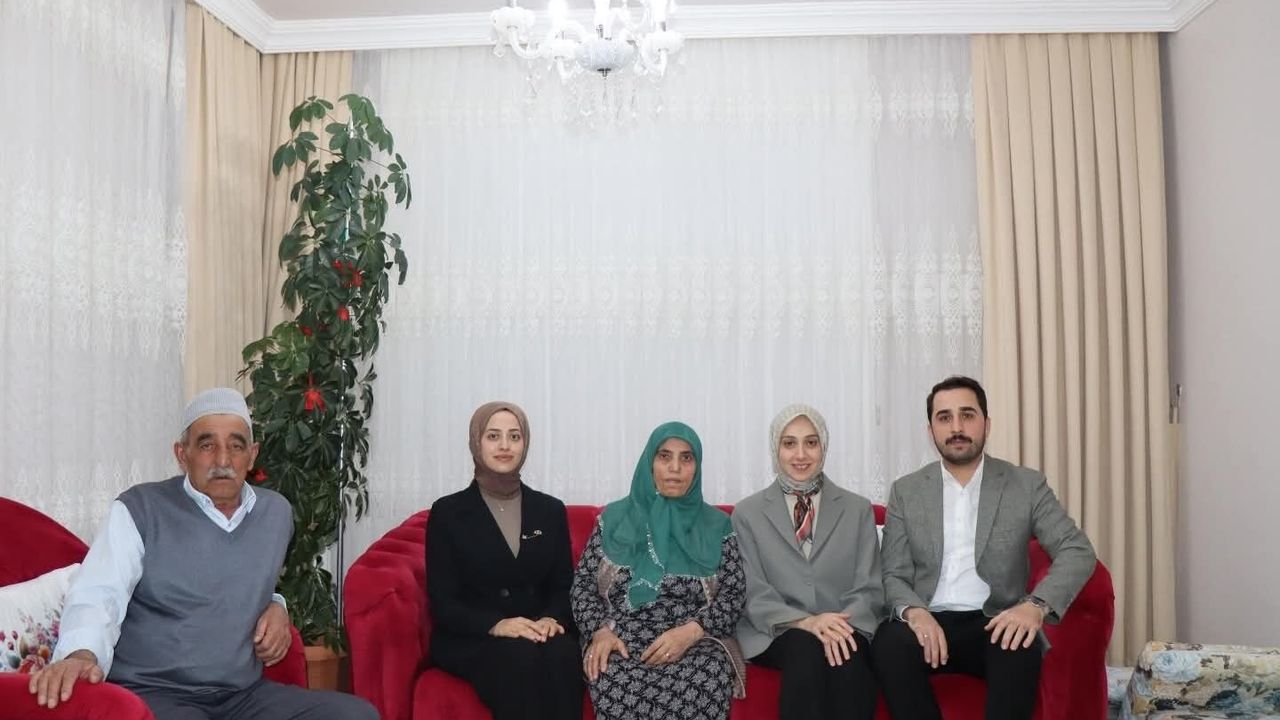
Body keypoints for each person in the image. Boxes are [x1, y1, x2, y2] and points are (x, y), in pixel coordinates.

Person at [28, 387, 377, 719]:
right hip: (154, 691)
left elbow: (243, 579)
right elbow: (100, 593)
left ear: (252, 455)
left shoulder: (276, 514)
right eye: (207, 445)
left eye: (236, 446)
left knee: (356, 715)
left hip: (243, 695)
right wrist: (81, 654)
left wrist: (277, 605)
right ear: (183, 454)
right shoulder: (140, 509)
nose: (223, 460)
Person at [872, 375, 1097, 720]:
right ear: (930, 431)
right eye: (944, 418)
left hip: (994, 621)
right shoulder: (907, 491)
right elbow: (892, 573)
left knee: (1019, 645)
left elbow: (1076, 550)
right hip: (926, 621)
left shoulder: (1025, 485)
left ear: (986, 424)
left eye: (967, 415)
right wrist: (915, 613)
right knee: (889, 643)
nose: (956, 427)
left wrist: (1034, 606)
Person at [572, 421, 746, 720]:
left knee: (709, 674)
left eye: (686, 458)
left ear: (697, 467)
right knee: (609, 672)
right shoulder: (614, 519)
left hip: (695, 640)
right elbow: (583, 586)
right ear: (650, 463)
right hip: (621, 640)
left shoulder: (717, 525)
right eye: (665, 456)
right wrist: (599, 632)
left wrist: (692, 631)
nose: (675, 468)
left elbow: (733, 595)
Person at [425, 401, 582, 720]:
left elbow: (564, 585)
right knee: (519, 657)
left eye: (514, 436)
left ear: (525, 444)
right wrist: (496, 625)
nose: (505, 446)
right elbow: (443, 602)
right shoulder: (448, 513)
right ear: (476, 442)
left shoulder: (550, 510)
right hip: (474, 635)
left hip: (538, 628)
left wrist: (552, 619)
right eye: (493, 436)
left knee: (564, 653)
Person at [733, 404, 883, 720]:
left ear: (823, 447)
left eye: (811, 442)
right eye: (789, 443)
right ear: (776, 449)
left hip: (844, 624)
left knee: (849, 657)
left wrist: (838, 626)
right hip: (776, 630)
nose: (800, 454)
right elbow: (752, 590)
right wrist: (806, 622)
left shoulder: (857, 509)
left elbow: (869, 585)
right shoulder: (747, 513)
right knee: (805, 650)